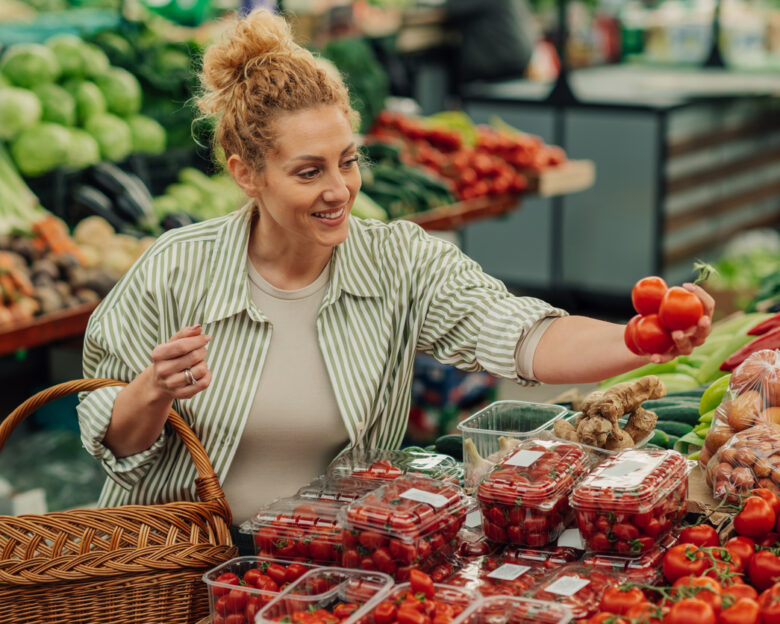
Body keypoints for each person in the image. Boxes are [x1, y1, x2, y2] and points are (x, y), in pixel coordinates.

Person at [77, 10, 714, 534]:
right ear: (246, 172)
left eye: (347, 161)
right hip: (167, 570)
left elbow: (520, 336)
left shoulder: (397, 259)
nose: (339, 190)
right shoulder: (176, 269)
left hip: (323, 562)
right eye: (309, 171)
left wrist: (638, 340)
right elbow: (115, 443)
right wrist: (153, 389)